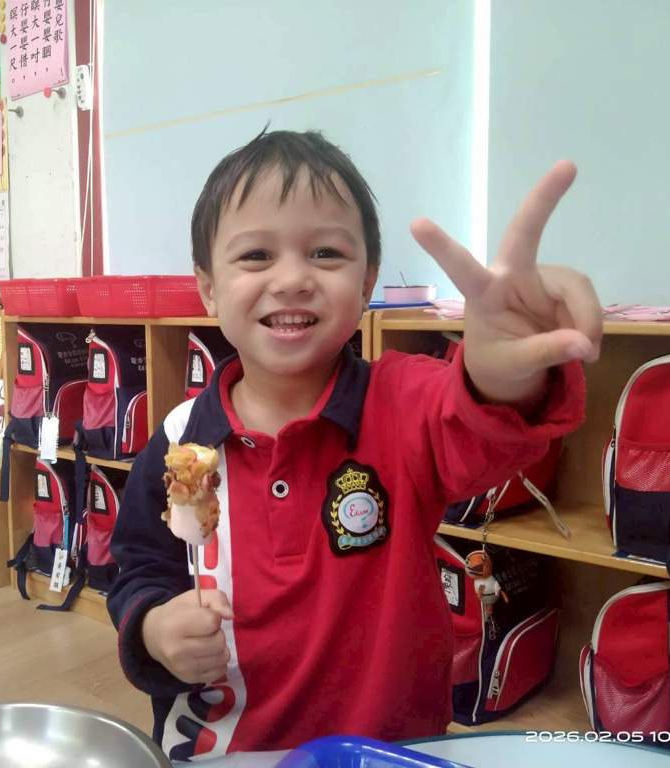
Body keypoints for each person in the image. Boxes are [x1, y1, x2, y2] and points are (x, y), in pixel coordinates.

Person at [106, 129, 601, 762]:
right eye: (256, 255)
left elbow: (479, 427)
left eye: (325, 253)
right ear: (207, 287)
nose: (292, 279)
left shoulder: (403, 403)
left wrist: (505, 374)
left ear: (367, 282)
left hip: (385, 749)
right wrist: (152, 628)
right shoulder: (181, 438)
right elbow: (139, 566)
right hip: (223, 749)